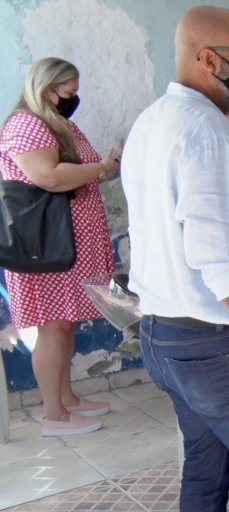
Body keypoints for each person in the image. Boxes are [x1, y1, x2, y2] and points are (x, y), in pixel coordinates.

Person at [120, 6, 229, 510]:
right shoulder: (206, 131)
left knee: (207, 463)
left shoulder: (152, 121)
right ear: (209, 60)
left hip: (163, 333)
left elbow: (178, 225)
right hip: (214, 340)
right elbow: (215, 257)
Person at [0, 57, 118, 436]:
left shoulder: (57, 122)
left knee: (64, 325)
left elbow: (79, 171)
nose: (73, 99)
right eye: (67, 92)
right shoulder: (26, 124)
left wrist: (103, 167)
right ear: (45, 87)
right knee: (53, 327)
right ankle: (54, 416)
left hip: (67, 244)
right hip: (46, 247)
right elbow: (47, 176)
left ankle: (67, 399)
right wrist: (101, 168)